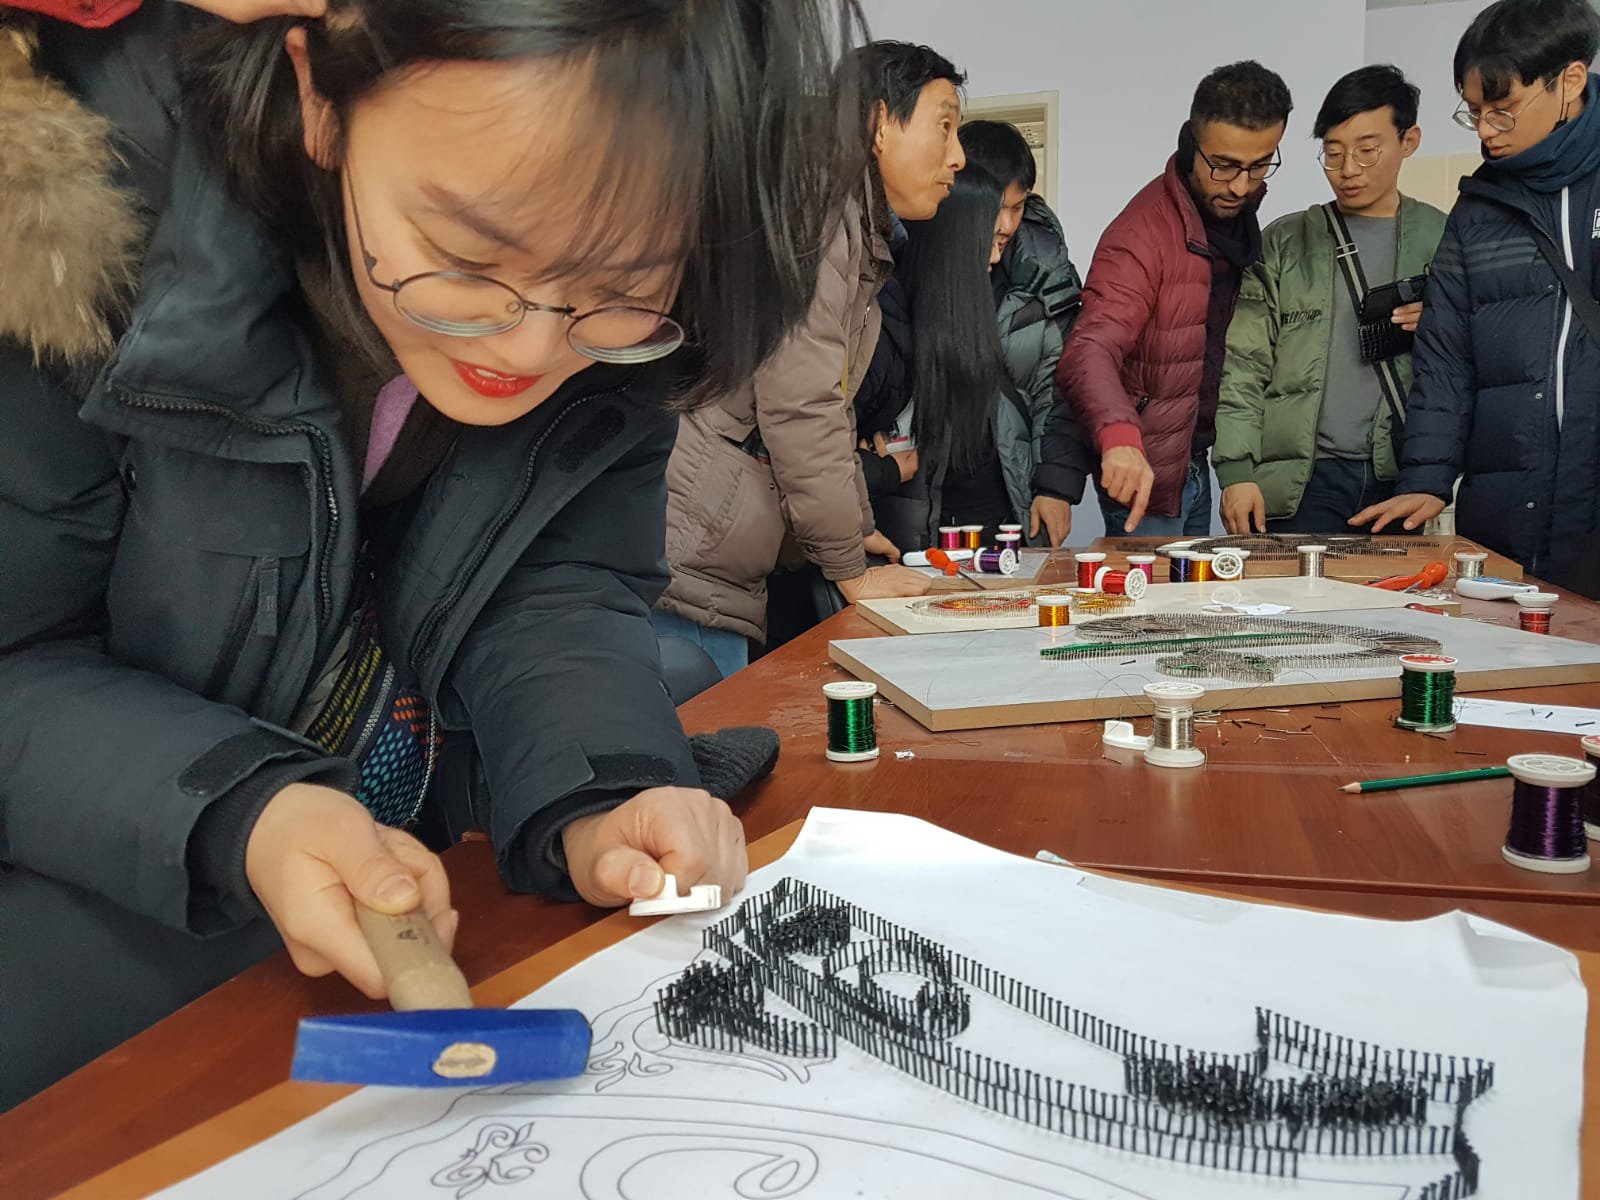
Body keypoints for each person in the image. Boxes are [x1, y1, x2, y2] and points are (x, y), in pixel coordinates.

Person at [0, 0, 862, 1108]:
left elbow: (558, 587)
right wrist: (243, 812)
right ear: (322, 98)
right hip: (98, 922)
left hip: (372, 898)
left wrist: (604, 786)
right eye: (466, 257)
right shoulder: (68, 265)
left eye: (620, 291)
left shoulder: (621, 346)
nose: (529, 347)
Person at [657, 41, 963, 673]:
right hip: (697, 534)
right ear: (879, 123)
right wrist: (851, 569)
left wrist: (855, 528)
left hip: (715, 524)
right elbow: (802, 402)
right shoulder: (817, 211)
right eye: (944, 126)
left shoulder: (843, 216)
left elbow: (832, 404)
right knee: (695, 715)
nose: (957, 156)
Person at [1351, 0, 1600, 592]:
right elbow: (1446, 356)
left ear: (1569, 81)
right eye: (1474, 113)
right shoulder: (1479, 208)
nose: (1487, 130)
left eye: (1503, 111)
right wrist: (1427, 477)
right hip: (1508, 504)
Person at [1056, 61, 1293, 535]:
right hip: (1146, 467)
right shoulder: (1142, 234)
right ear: (1190, 144)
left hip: (1193, 458)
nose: (1241, 185)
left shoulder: (1233, 221)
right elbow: (1089, 347)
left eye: (1259, 165)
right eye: (1223, 165)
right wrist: (1119, 435)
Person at [1214, 67, 1446, 534]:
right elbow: (1242, 362)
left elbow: (1469, 367)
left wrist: (1444, 326)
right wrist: (1236, 471)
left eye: (1366, 151)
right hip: (1299, 483)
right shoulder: (1285, 240)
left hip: (1399, 476)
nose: (1347, 170)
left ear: (1409, 141)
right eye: (1333, 153)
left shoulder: (1442, 237)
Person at [957, 119, 1091, 546]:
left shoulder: (1046, 272)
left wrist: (1056, 484)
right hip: (929, 493)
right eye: (995, 207)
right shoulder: (916, 256)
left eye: (1016, 208)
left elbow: (1062, 385)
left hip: (1012, 492)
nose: (1005, 224)